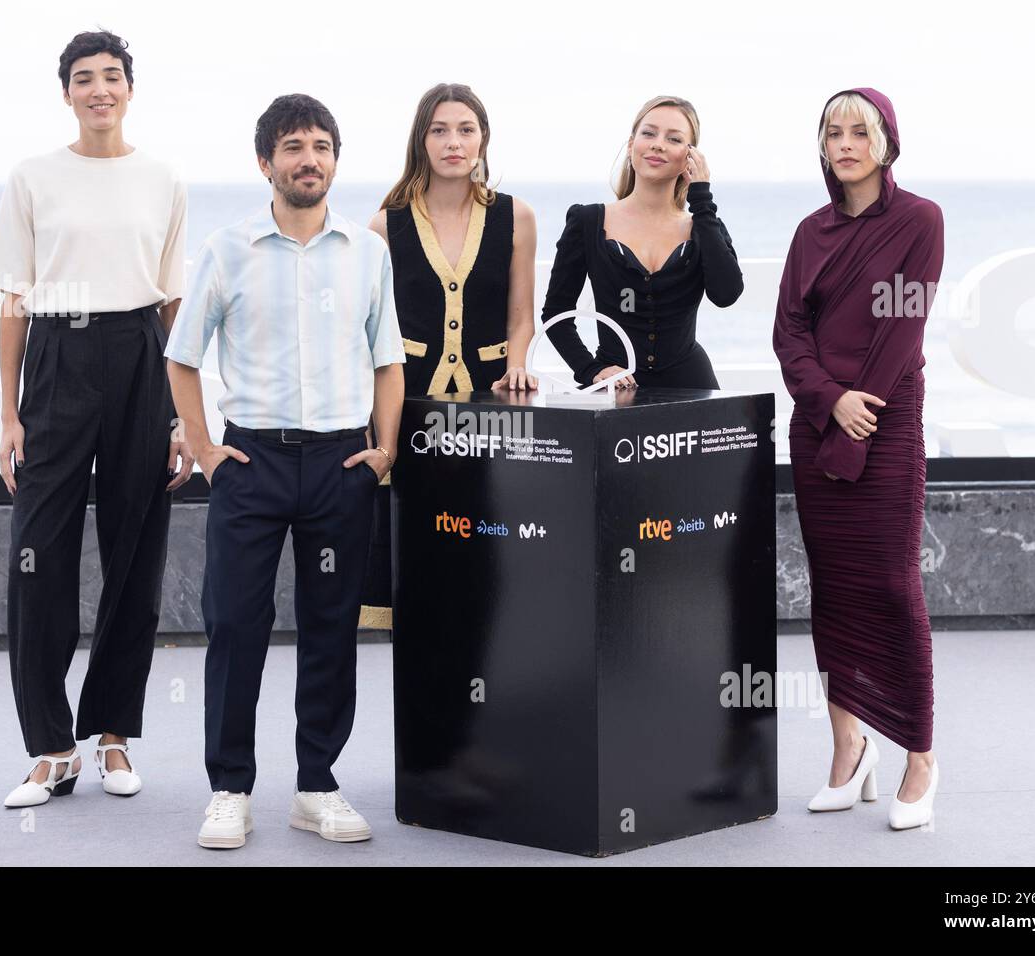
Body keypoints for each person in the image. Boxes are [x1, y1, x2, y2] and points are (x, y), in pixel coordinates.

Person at [164, 94, 405, 849]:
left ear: (336, 159)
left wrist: (385, 450)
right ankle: (229, 788)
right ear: (265, 162)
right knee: (235, 623)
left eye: (322, 146)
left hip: (341, 463)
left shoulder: (366, 251)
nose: (310, 159)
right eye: (294, 146)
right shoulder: (227, 247)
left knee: (332, 627)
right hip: (251, 461)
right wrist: (204, 449)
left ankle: (317, 786)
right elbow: (182, 354)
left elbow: (388, 358)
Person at [0, 30, 190, 808]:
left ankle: (111, 735)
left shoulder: (163, 178)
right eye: (82, 78)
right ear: (65, 93)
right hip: (58, 355)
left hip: (140, 354)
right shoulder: (34, 177)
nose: (98, 88)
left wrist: (177, 416)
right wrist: (8, 412)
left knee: (135, 552)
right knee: (40, 554)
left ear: (130, 88)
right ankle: (50, 747)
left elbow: (172, 305)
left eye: (111, 76)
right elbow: (13, 300)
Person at [771, 88, 944, 830]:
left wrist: (856, 407)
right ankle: (849, 751)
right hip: (816, 425)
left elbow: (903, 328)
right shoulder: (809, 232)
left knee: (895, 588)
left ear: (885, 141)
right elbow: (788, 333)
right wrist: (827, 402)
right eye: (832, 132)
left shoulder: (919, 221)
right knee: (833, 589)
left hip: (886, 421)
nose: (845, 144)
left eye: (858, 132)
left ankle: (920, 760)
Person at [358, 82, 538, 628]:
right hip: (408, 405)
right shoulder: (386, 223)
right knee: (414, 544)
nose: (453, 142)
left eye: (465, 130)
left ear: (484, 140)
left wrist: (518, 362)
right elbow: (370, 330)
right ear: (422, 140)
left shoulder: (516, 217)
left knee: (484, 540)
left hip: (490, 403)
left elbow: (521, 313)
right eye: (439, 130)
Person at [541, 95, 743, 389]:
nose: (658, 143)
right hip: (615, 391)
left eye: (674, 139)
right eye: (648, 133)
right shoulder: (588, 221)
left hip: (692, 389)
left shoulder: (704, 225)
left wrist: (702, 199)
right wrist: (590, 370)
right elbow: (556, 313)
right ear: (631, 145)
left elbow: (726, 294)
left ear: (690, 157)